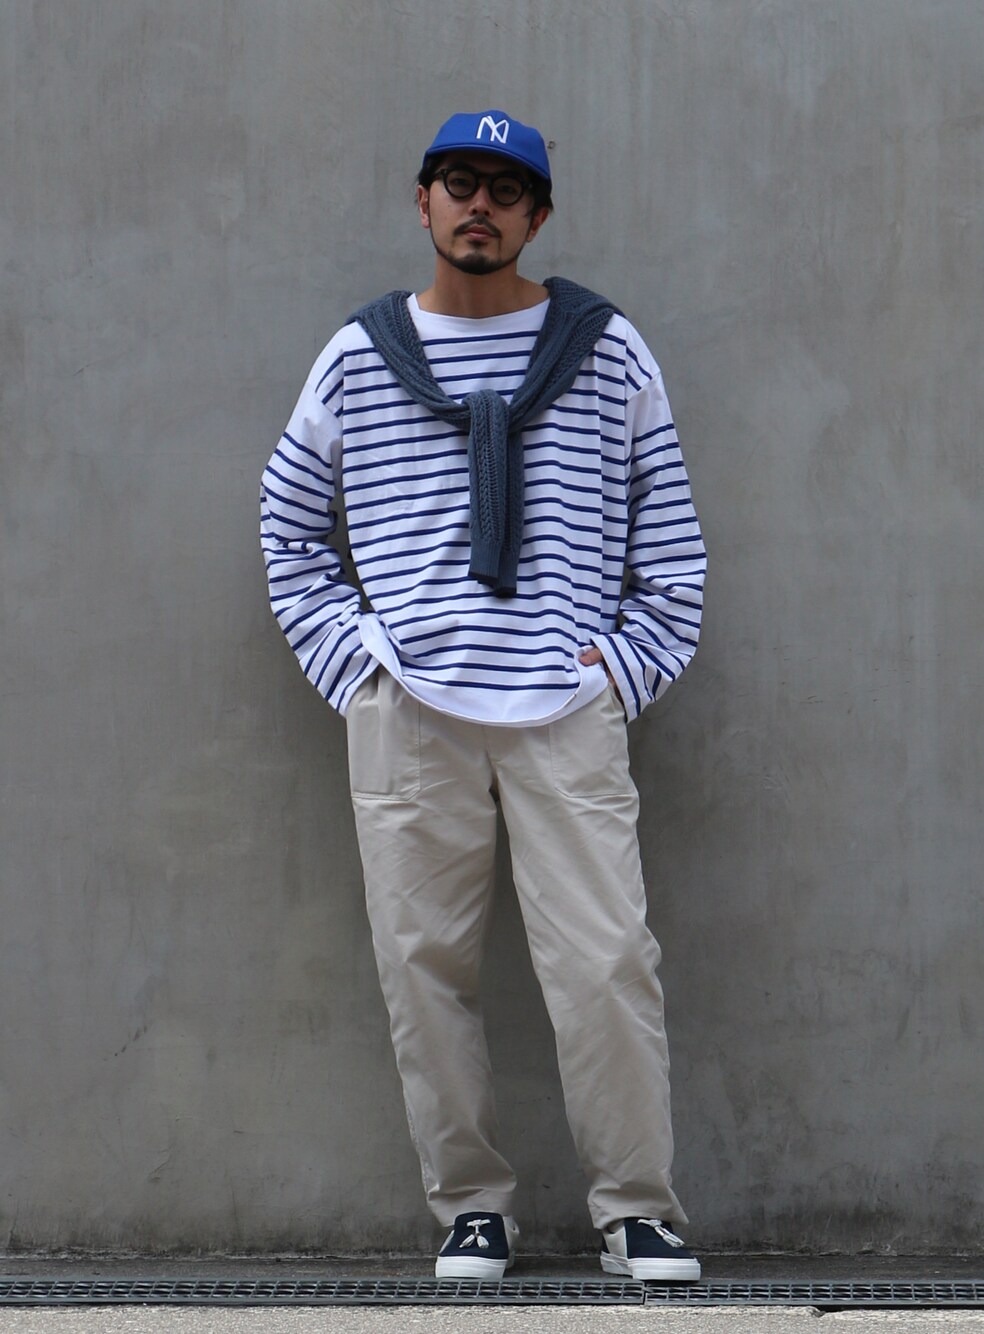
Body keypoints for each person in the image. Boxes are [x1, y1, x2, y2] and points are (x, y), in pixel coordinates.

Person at [260, 109, 706, 1282]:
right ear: (422, 202)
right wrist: (355, 661)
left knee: (606, 962)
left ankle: (637, 1207)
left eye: (507, 190)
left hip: (563, 706)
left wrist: (621, 667)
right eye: (458, 182)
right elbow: (288, 525)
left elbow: (669, 538)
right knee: (422, 967)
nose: (480, 205)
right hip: (410, 709)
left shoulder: (604, 349)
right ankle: (470, 1205)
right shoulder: (359, 356)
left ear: (537, 216)